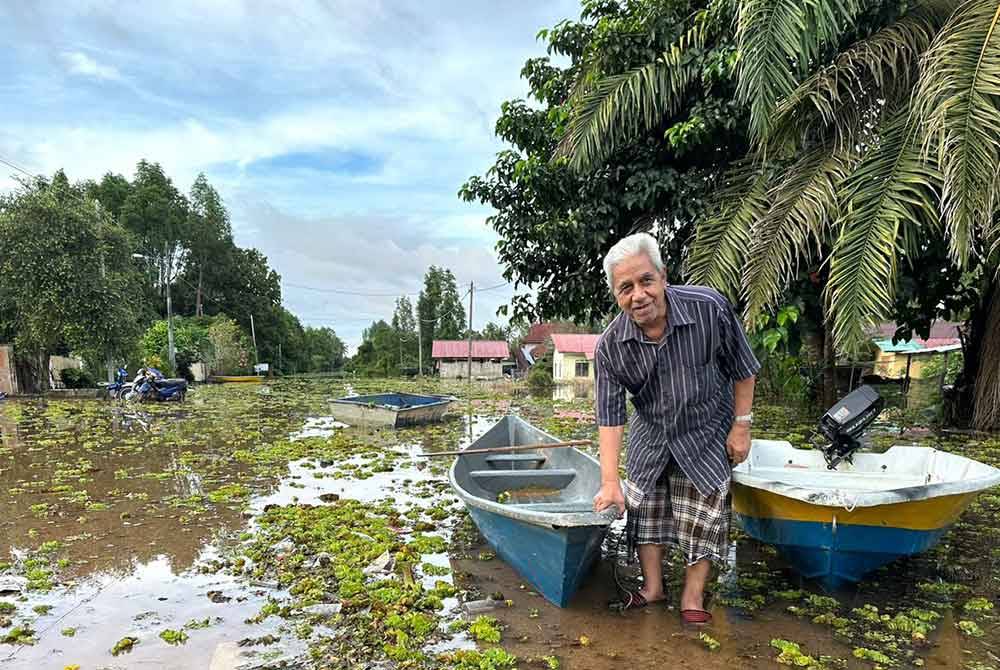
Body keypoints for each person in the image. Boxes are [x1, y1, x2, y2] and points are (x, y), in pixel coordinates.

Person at [592, 232, 759, 625]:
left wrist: (742, 426)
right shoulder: (611, 346)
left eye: (646, 281)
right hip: (651, 437)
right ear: (617, 295)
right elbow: (610, 416)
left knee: (703, 516)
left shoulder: (709, 309)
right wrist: (610, 481)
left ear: (663, 276)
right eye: (626, 288)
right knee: (646, 516)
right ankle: (653, 588)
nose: (639, 295)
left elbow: (744, 369)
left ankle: (693, 594)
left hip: (705, 432)